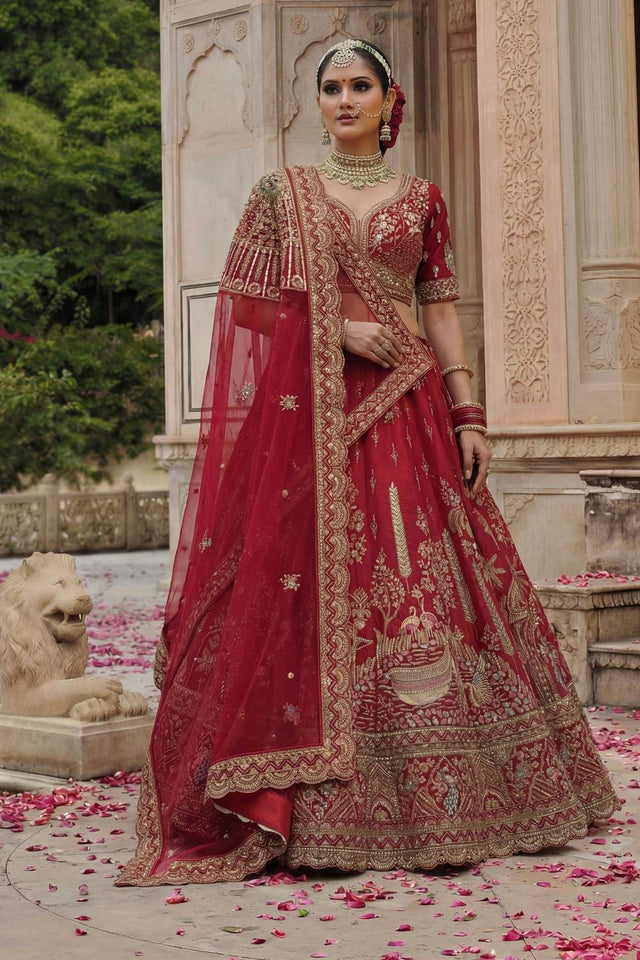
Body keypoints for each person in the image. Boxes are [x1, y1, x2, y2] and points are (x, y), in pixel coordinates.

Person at [117, 38, 618, 886]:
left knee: (426, 586)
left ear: (392, 102)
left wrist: (470, 411)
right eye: (330, 88)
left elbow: (441, 305)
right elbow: (250, 306)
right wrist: (338, 330)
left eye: (360, 87)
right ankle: (310, 804)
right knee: (305, 585)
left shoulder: (424, 197)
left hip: (411, 413)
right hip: (310, 424)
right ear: (318, 103)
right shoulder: (283, 193)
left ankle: (450, 789)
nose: (343, 100)